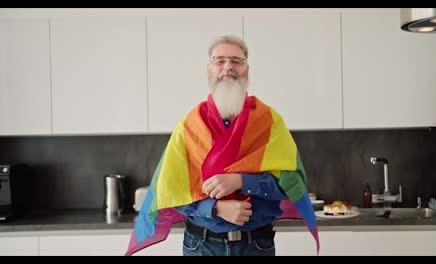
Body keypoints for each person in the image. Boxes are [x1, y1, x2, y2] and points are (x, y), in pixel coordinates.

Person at [125, 35, 319, 256]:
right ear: (209, 70)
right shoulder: (190, 125)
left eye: (236, 60)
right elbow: (169, 191)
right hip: (201, 245)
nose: (228, 67)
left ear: (247, 69)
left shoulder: (270, 121)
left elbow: (292, 185)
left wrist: (241, 181)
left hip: (256, 245)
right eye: (220, 61)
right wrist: (214, 208)